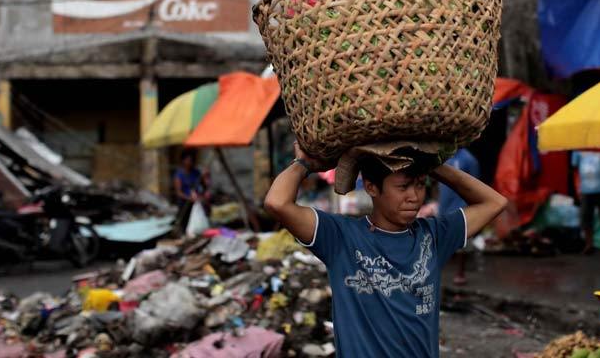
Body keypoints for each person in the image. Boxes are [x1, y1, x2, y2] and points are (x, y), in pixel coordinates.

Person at [265, 143, 506, 358]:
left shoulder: (434, 236)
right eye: (403, 187)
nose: (414, 197)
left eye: (420, 185)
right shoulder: (341, 237)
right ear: (371, 187)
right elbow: (277, 203)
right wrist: (304, 165)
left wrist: (433, 165)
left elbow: (495, 202)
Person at [438, 147, 481, 285]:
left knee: (463, 241)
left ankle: (460, 273)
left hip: (461, 205)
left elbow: (476, 185)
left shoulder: (469, 159)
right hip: (444, 205)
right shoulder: (443, 156)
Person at [572, 150, 600, 254]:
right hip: (585, 190)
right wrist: (578, 187)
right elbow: (575, 170)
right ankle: (589, 245)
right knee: (586, 217)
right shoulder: (577, 149)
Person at [173, 150, 210, 229]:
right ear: (183, 161)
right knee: (185, 222)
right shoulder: (179, 174)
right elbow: (179, 192)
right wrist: (189, 198)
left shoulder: (196, 172)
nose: (189, 162)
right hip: (185, 203)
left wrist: (205, 177)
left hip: (196, 201)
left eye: (191, 160)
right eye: (188, 160)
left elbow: (203, 184)